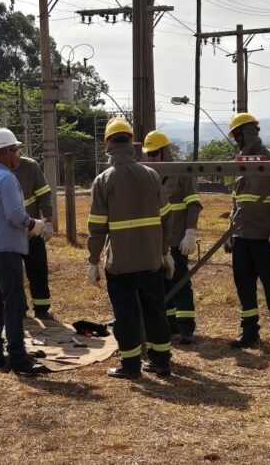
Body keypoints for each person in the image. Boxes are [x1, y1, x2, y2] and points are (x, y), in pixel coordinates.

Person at [86, 118, 175, 379]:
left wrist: (93, 260)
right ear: (131, 144)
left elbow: (97, 228)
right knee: (155, 311)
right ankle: (161, 362)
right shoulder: (151, 175)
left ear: (108, 147)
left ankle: (131, 365)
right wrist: (164, 250)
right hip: (151, 260)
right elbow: (166, 217)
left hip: (120, 264)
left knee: (125, 315)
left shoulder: (103, 180)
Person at [0, 127, 49, 375]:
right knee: (14, 303)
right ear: (5, 152)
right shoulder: (7, 178)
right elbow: (14, 215)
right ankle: (17, 357)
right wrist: (34, 224)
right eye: (15, 150)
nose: (18, 155)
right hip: (6, 248)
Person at [226, 113, 270, 351]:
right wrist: (229, 232)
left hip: (265, 236)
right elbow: (236, 202)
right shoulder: (241, 163)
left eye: (237, 135)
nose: (236, 141)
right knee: (244, 285)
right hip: (241, 235)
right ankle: (249, 332)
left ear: (247, 133)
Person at [142, 130, 202, 344]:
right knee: (160, 283)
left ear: (165, 152)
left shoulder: (182, 173)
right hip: (154, 240)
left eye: (156, 153)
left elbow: (193, 204)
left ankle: (186, 327)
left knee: (180, 281)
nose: (152, 158)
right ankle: (169, 326)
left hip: (176, 239)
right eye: (149, 154)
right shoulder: (146, 175)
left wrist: (190, 232)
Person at [13, 144, 55, 320]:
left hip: (33, 229)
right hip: (11, 233)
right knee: (14, 273)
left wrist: (48, 221)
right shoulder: (0, 171)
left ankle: (42, 309)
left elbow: (44, 194)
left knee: (38, 269)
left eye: (15, 150)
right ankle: (19, 310)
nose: (14, 155)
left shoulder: (31, 167)